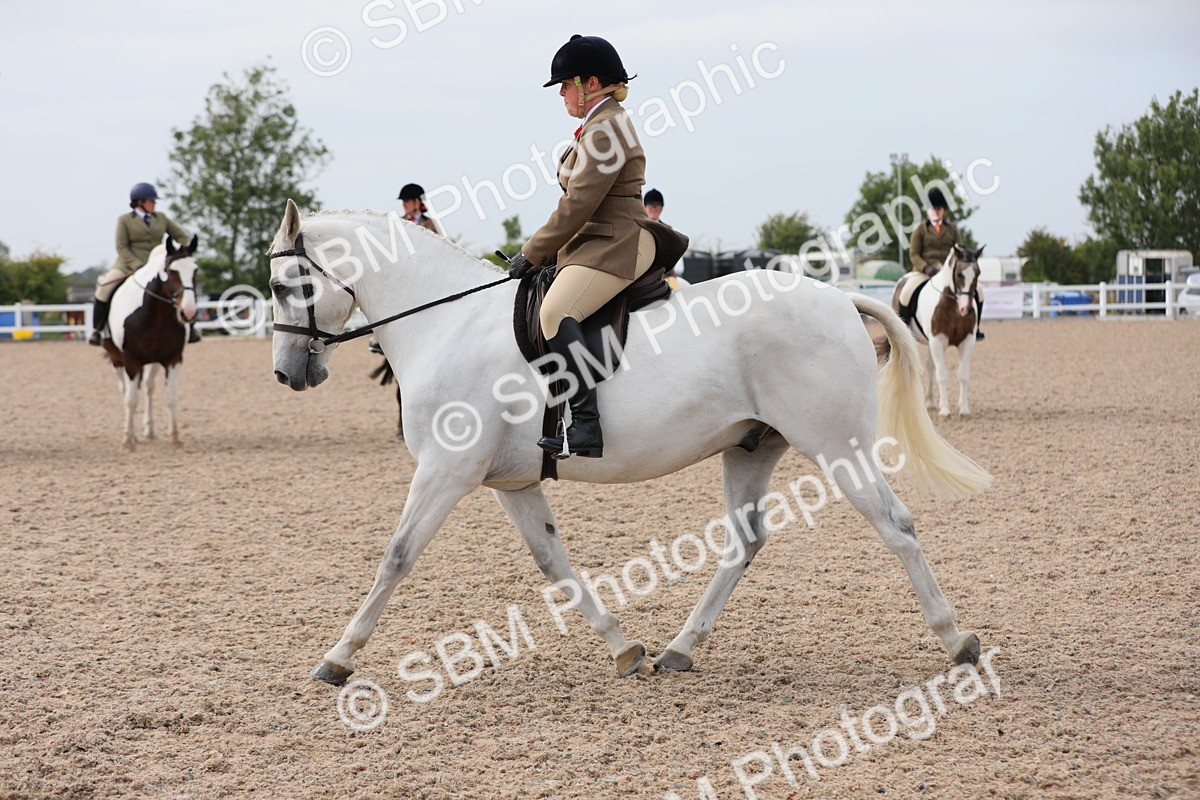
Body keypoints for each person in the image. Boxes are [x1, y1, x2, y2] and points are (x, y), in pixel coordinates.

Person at [506, 34, 688, 459]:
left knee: (555, 312)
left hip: (619, 240)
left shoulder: (606, 128)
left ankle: (586, 424)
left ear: (590, 83)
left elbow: (578, 204)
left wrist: (531, 252)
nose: (561, 94)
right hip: (599, 239)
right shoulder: (598, 124)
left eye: (565, 85)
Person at [90, 183, 195, 346]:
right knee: (102, 290)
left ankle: (191, 328)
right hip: (127, 265)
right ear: (140, 202)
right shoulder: (124, 220)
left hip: (156, 265)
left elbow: (182, 237)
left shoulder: (161, 218)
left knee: (182, 286)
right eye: (151, 201)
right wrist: (137, 264)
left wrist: (178, 252)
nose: (154, 204)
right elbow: (121, 247)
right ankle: (98, 330)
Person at [899, 188, 984, 339]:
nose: (936, 212)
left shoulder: (952, 229)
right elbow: (914, 254)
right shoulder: (920, 229)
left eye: (938, 209)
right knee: (906, 293)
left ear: (944, 210)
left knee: (979, 290)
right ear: (927, 211)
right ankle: (902, 331)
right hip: (924, 271)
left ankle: (976, 328)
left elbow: (960, 250)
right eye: (933, 209)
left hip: (948, 272)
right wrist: (926, 267)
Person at [643, 188, 688, 288]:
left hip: (665, 276)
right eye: (651, 206)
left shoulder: (669, 231)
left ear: (661, 208)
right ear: (645, 207)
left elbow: (679, 265)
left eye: (657, 206)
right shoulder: (640, 230)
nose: (654, 209)